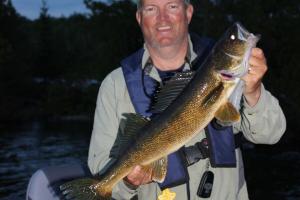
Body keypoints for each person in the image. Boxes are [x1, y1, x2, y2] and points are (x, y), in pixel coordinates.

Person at [87, 0, 286, 199]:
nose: (162, 18)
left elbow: (270, 135)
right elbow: (101, 167)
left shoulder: (232, 74)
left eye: (172, 6)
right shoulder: (114, 85)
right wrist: (128, 182)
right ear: (139, 17)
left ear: (188, 12)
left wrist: (254, 91)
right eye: (151, 9)